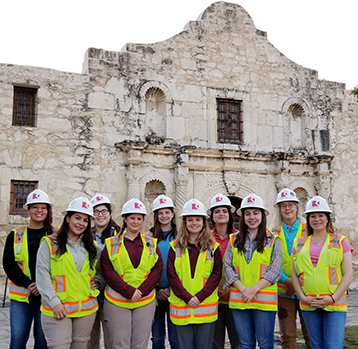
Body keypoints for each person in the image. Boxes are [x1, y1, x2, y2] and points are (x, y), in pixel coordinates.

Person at [36, 197, 101, 349]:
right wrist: (54, 303)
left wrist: (97, 282)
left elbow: (100, 271)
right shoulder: (50, 243)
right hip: (58, 309)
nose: (81, 223)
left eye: (85, 220)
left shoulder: (92, 247)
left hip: (86, 309)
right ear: (67, 218)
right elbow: (42, 275)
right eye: (77, 218)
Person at [291, 196, 353, 349]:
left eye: (320, 215)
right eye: (312, 216)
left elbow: (348, 275)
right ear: (308, 219)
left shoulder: (340, 241)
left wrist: (332, 298)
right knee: (316, 346)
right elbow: (294, 274)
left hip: (334, 304)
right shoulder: (299, 242)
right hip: (309, 303)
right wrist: (303, 297)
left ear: (327, 218)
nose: (316, 219)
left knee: (333, 346)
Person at [101, 198, 163, 349]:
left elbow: (157, 269)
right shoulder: (111, 243)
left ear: (143, 220)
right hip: (117, 300)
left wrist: (141, 291)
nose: (135, 222)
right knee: (119, 344)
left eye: (139, 218)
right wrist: (128, 291)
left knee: (139, 345)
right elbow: (107, 270)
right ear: (125, 219)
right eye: (132, 218)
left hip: (144, 300)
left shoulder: (151, 244)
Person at [225, 193, 282, 349]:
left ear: (262, 216)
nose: (252, 217)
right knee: (245, 344)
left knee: (265, 344)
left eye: (255, 213)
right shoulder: (233, 240)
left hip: (263, 302)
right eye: (247, 213)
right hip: (240, 299)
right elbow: (228, 268)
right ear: (242, 217)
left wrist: (253, 289)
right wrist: (244, 290)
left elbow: (275, 271)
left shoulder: (273, 240)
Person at [3, 189, 55, 349]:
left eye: (43, 208)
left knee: (42, 341)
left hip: (47, 297)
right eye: (35, 207)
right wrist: (29, 284)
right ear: (28, 210)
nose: (39, 211)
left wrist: (42, 285)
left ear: (48, 211)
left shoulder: (56, 235)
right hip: (21, 297)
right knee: (17, 340)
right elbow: (8, 263)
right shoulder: (16, 234)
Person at [167, 199, 222, 349]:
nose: (194, 223)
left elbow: (216, 274)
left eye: (198, 219)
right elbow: (172, 275)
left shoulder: (213, 247)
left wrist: (199, 297)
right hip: (182, 308)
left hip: (205, 307)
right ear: (184, 222)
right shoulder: (174, 247)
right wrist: (187, 297)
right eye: (190, 219)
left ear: (204, 222)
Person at [271, 188, 311, 349]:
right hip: (283, 291)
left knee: (310, 333)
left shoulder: (308, 230)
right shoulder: (273, 233)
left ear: (297, 207)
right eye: (283, 206)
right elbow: (272, 262)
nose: (287, 209)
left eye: (290, 205)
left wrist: (297, 284)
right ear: (279, 209)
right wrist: (287, 282)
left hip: (306, 289)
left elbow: (314, 259)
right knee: (287, 335)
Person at [88, 193, 121, 349]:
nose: (100, 215)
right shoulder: (84, 235)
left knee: (111, 338)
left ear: (110, 214)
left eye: (104, 211)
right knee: (90, 338)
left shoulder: (120, 235)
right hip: (89, 290)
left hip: (111, 292)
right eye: (96, 211)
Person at [146, 195, 179, 349]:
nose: (164, 216)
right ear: (156, 216)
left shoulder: (181, 237)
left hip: (176, 291)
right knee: (157, 338)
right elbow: (144, 266)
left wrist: (172, 289)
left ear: (172, 214)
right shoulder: (148, 237)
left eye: (167, 212)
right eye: (160, 213)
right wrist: (155, 289)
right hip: (154, 292)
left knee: (175, 337)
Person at [209, 194, 240, 349]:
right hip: (212, 296)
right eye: (217, 211)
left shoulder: (240, 237)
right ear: (212, 216)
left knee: (238, 340)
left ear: (230, 215)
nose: (221, 214)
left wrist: (233, 288)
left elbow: (245, 266)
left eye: (224, 211)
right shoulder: (206, 238)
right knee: (215, 342)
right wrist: (213, 288)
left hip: (236, 295)